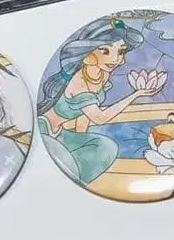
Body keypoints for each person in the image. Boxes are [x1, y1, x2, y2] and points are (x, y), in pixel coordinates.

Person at [37, 18, 162, 185]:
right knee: (74, 162)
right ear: (88, 54)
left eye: (121, 51)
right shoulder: (79, 83)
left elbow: (83, 116)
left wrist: (81, 138)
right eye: (105, 51)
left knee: (106, 147)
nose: (116, 59)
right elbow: (100, 118)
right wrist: (135, 95)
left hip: (60, 133)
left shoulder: (101, 74)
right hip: (45, 132)